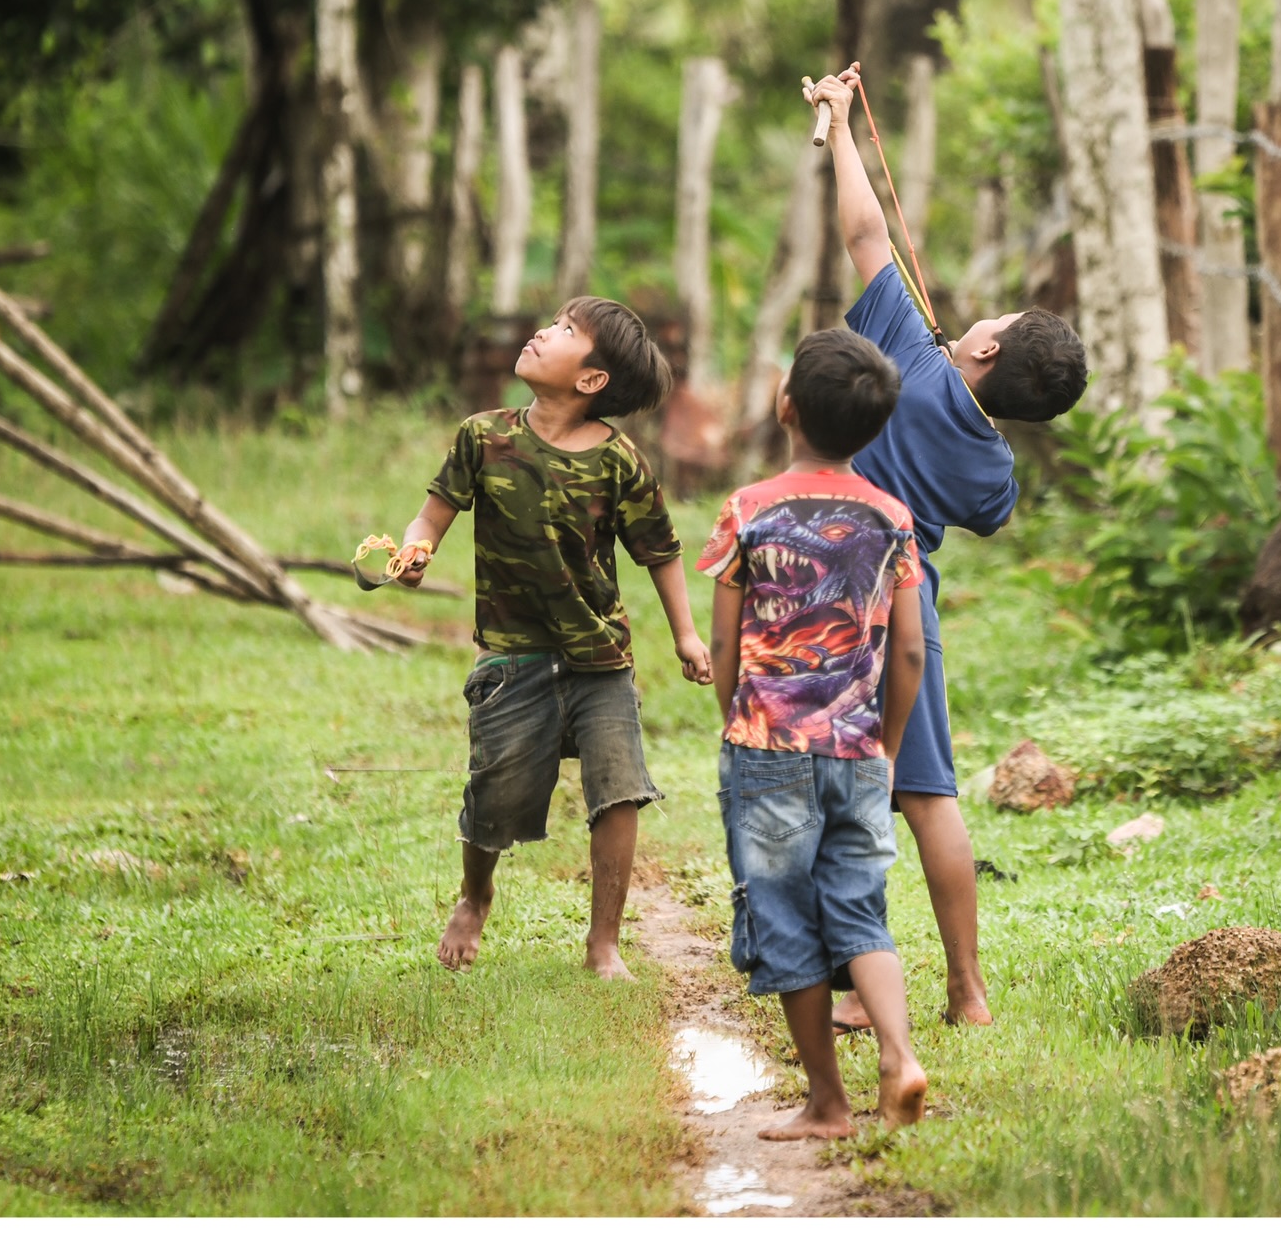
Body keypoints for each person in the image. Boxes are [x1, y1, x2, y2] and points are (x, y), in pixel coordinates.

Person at [804, 66, 1089, 1030]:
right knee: (928, 795)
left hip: (832, 580)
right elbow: (990, 512)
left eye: (995, 323)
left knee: (844, 787)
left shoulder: (908, 364)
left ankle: (852, 989)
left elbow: (863, 235)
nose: (981, 318)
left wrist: (840, 124)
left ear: (988, 352)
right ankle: (968, 993)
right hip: (907, 593)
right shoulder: (992, 464)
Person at [390, 296, 713, 979]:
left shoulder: (619, 461)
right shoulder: (483, 437)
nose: (543, 332)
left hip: (600, 657)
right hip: (510, 657)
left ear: (591, 380)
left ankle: (604, 943)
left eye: (567, 332)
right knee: (494, 795)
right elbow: (429, 520)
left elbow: (659, 551)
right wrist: (414, 554)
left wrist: (686, 634)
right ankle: (475, 895)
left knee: (618, 788)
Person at [699, 328, 930, 1136]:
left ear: (784, 405)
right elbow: (909, 648)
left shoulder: (748, 510)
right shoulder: (893, 517)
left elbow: (725, 643)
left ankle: (828, 1103)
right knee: (862, 911)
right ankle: (900, 1057)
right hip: (861, 748)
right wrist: (888, 744)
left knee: (786, 920)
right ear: (876, 427)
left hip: (768, 752)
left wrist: (737, 713)